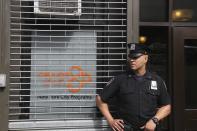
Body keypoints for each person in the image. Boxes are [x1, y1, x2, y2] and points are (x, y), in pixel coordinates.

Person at [96, 43, 171, 131]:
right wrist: (110, 120)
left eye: (135, 57)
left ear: (145, 58)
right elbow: (100, 99)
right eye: (131, 57)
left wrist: (154, 120)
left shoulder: (157, 80)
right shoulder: (121, 79)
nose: (132, 60)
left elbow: (167, 106)